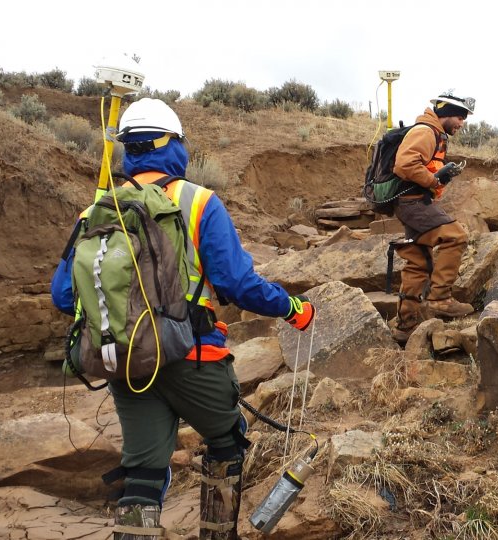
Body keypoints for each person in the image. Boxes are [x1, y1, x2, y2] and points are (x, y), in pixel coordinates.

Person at [50, 98, 314, 540]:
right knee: (228, 441)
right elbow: (236, 283)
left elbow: (63, 295)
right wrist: (293, 309)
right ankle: (216, 534)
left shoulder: (96, 210)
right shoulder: (198, 202)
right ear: (172, 145)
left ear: (128, 151)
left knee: (144, 473)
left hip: (127, 361)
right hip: (194, 357)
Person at [391, 91, 477, 341]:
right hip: (412, 202)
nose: (462, 123)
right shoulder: (425, 131)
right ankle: (440, 299)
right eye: (460, 117)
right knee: (456, 236)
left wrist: (438, 178)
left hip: (411, 201)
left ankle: (405, 326)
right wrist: (432, 180)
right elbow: (404, 164)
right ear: (447, 113)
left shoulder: (432, 132)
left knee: (418, 260)